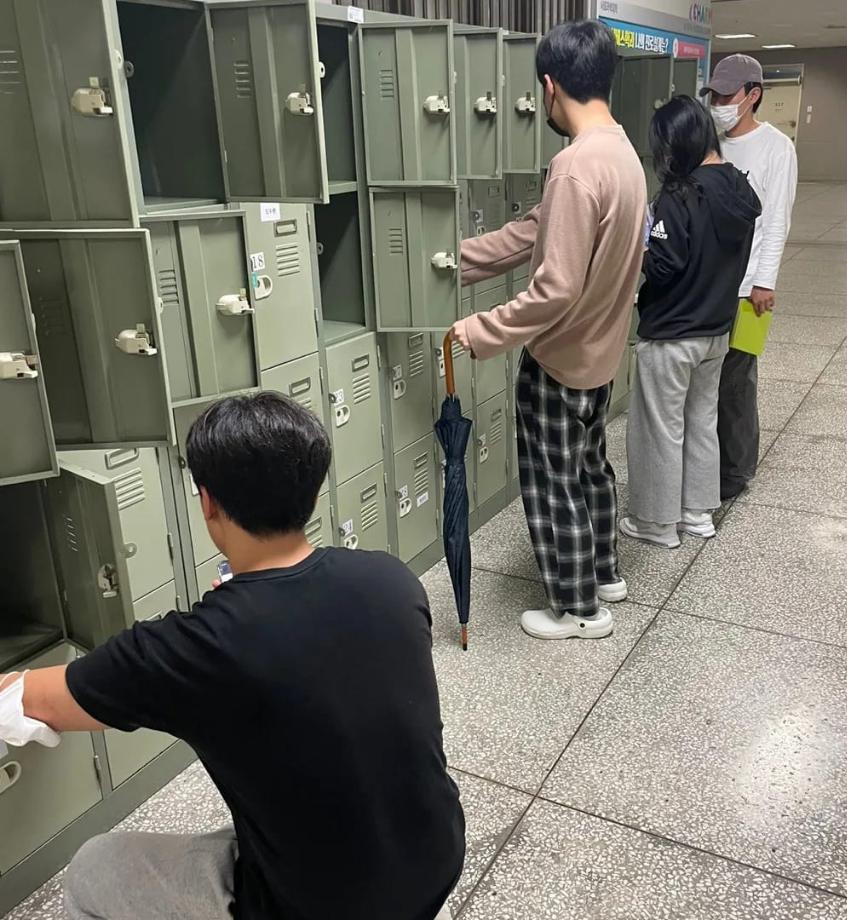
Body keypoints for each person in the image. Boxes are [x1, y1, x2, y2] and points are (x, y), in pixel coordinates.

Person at [0, 393, 464, 920]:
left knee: (93, 867)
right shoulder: (392, 579)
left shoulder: (194, 648)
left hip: (320, 907)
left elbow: (32, 698)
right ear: (313, 491)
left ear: (208, 503)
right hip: (435, 858)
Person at [449, 20, 646, 642]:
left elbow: (555, 287)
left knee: (554, 484)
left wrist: (482, 328)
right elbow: (536, 230)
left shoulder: (573, 166)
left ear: (550, 85)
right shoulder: (621, 154)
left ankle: (579, 609)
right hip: (600, 356)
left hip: (560, 361)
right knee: (590, 470)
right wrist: (452, 262)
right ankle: (603, 574)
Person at [619, 96, 761, 549]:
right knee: (701, 420)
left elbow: (663, 267)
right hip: (716, 331)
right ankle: (697, 514)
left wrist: (640, 243)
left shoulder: (679, 195)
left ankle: (656, 523)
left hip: (672, 334)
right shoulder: (739, 188)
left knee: (658, 429)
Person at [700, 54, 798, 499]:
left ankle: (735, 471)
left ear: (753, 95)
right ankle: (706, 462)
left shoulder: (777, 148)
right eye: (715, 96)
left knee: (736, 383)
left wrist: (765, 282)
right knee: (707, 379)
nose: (719, 104)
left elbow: (777, 220)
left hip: (748, 290)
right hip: (709, 283)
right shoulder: (711, 143)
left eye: (727, 96)